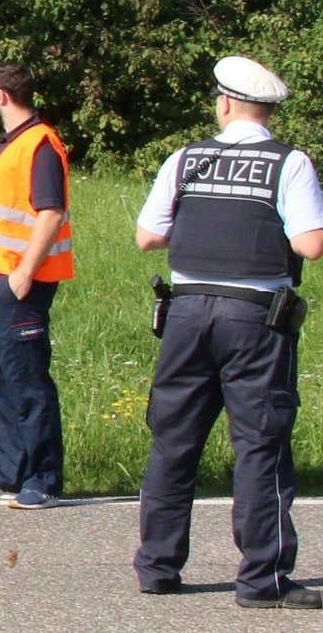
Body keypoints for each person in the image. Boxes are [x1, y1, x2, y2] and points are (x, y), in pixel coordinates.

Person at [133, 56, 323, 609]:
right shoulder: (289, 163)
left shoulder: (185, 159)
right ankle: (262, 580)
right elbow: (310, 245)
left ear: (224, 104)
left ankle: (158, 567)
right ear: (267, 112)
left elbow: (148, 236)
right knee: (260, 444)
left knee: (173, 441)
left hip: (186, 313)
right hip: (255, 317)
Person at [0, 62, 72, 510]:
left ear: (1, 96)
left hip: (19, 282)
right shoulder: (12, 143)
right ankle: (9, 473)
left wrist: (24, 273)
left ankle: (43, 479)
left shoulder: (40, 144)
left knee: (27, 381)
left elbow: (51, 213)